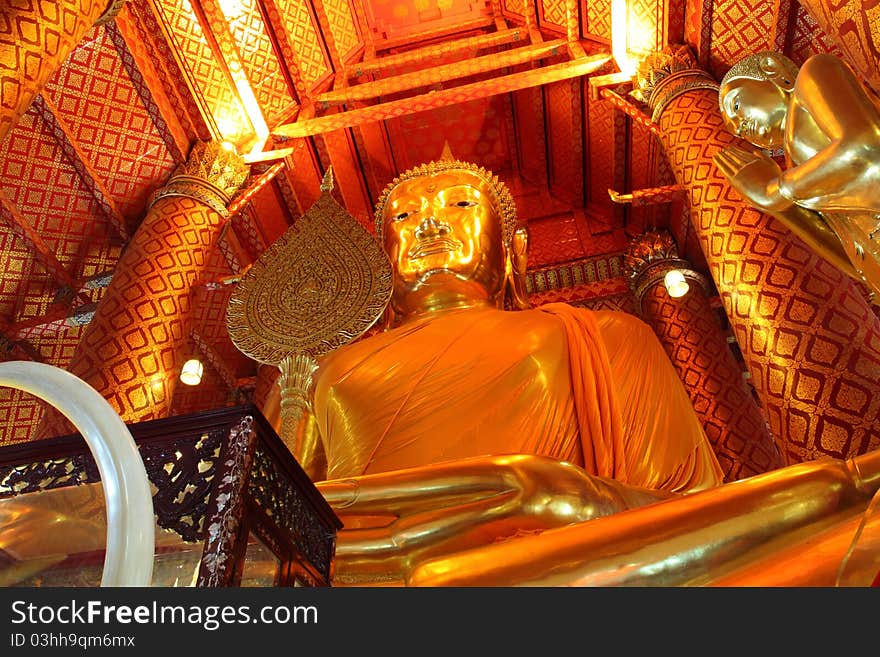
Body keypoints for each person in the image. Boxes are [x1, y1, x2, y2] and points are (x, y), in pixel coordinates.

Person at [293, 159, 725, 585]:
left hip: (563, 579)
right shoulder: (325, 372)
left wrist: (586, 503)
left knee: (794, 497)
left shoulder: (607, 337)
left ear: (513, 249)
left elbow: (698, 516)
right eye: (404, 217)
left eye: (460, 206)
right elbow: (274, 536)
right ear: (378, 261)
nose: (429, 225)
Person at [713, 50, 880, 296]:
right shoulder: (801, 174)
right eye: (736, 131)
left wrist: (776, 190)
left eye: (736, 106)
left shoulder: (813, 75)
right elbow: (855, 262)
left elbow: (864, 147)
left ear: (772, 70)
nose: (740, 127)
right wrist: (784, 211)